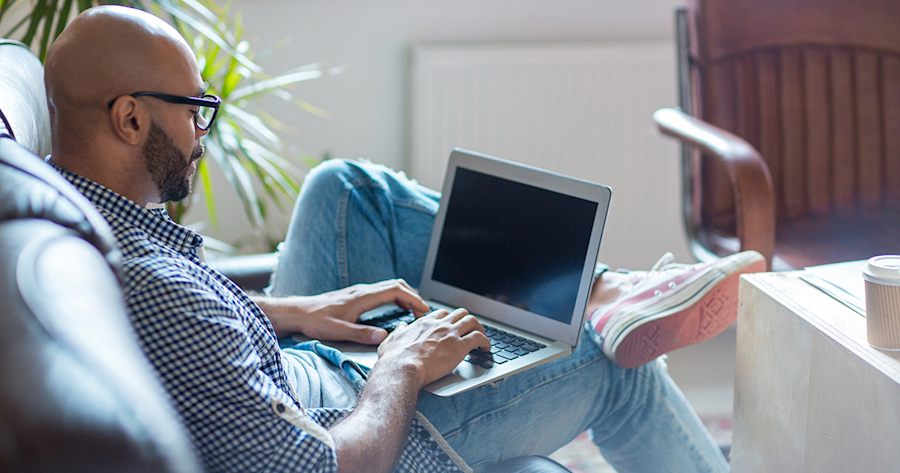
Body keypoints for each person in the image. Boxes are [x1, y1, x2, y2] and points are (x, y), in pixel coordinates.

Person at [43, 6, 764, 472]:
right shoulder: (150, 285)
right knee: (613, 367)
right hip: (354, 419)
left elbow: (179, 328)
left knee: (348, 189)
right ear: (131, 119)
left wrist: (295, 310)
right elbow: (322, 466)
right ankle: (604, 310)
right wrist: (403, 363)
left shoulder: (75, 212)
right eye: (196, 111)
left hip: (301, 363)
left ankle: (606, 289)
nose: (203, 134)